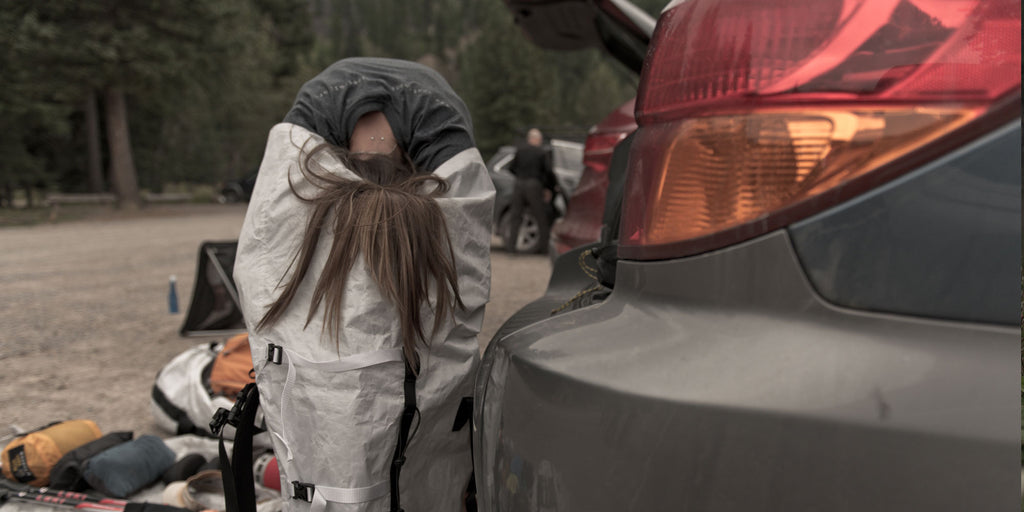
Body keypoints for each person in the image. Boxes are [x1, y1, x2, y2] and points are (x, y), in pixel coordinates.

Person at [233, 58, 494, 512]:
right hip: (409, 115)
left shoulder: (413, 131)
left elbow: (265, 261)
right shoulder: (437, 131)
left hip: (339, 108)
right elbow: (458, 298)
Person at [505, 128, 559, 253]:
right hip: (534, 185)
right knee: (541, 216)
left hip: (519, 184)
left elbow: (511, 168)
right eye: (539, 139)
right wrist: (551, 186)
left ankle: (511, 248)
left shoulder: (520, 150)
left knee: (516, 216)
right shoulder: (541, 152)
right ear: (535, 139)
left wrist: (519, 175)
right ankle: (544, 249)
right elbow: (548, 172)